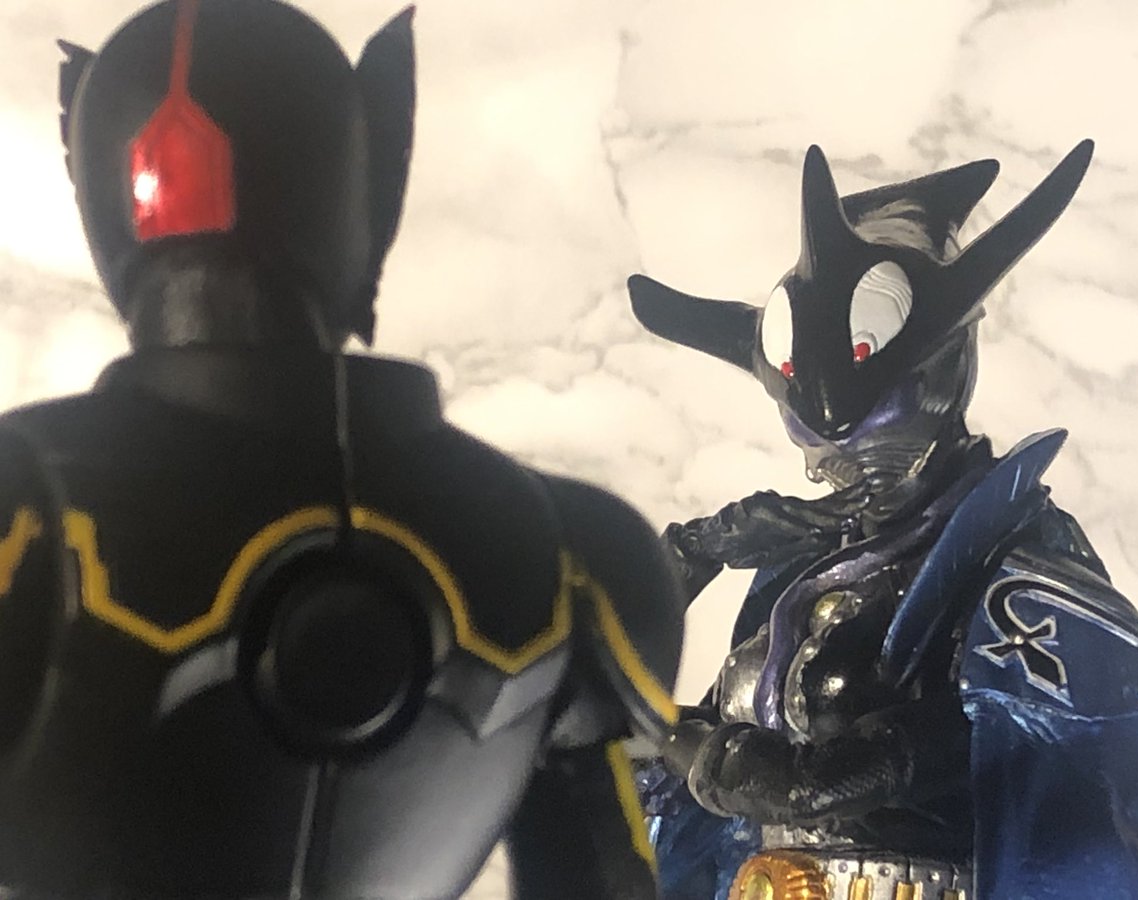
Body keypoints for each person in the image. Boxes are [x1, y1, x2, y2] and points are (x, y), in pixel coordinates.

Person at [0, 2, 684, 897]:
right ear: (367, 179)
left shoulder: (26, 504)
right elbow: (596, 867)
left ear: (102, 198)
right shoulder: (579, 552)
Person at [631, 142, 1138, 899]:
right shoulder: (800, 580)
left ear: (946, 366)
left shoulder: (1020, 578)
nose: (846, 456)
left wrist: (690, 745)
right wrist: (693, 551)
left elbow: (810, 784)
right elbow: (615, 715)